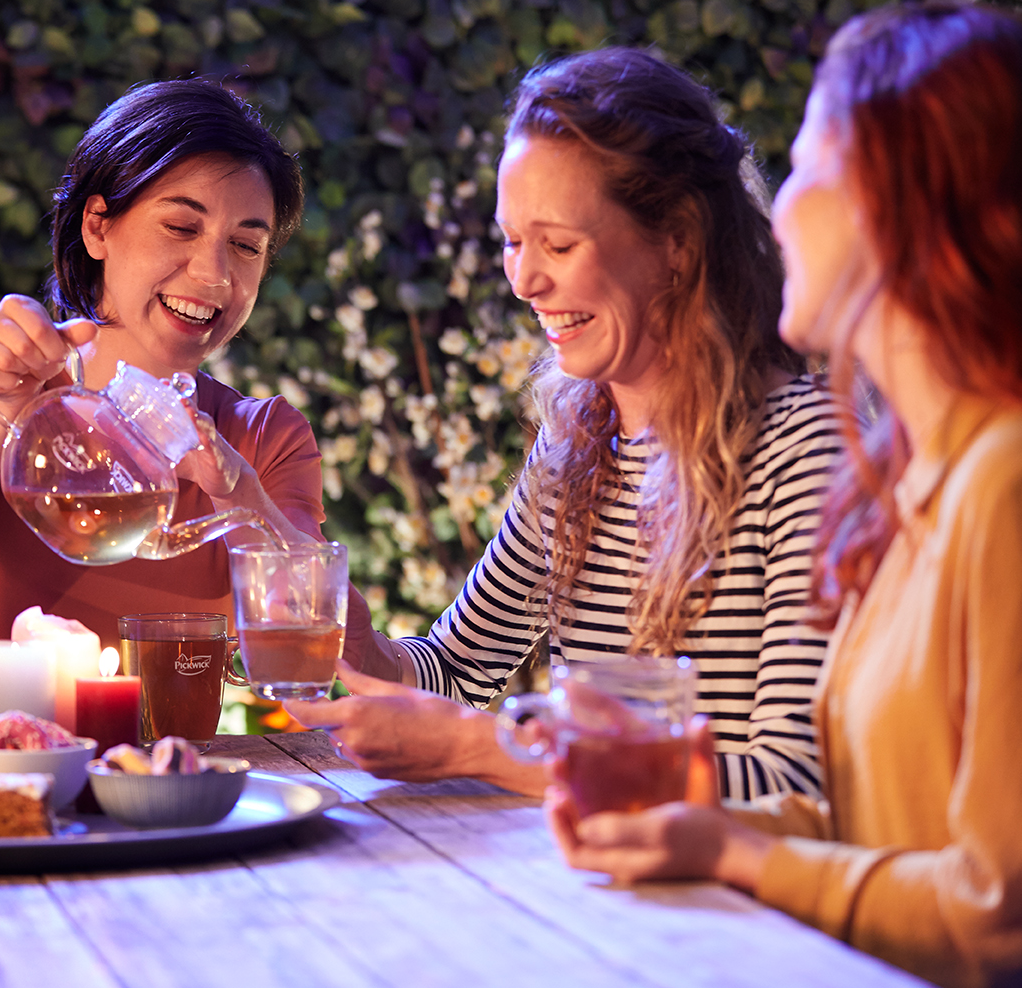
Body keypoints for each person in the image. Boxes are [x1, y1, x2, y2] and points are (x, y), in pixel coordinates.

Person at [541, 5, 1022, 987]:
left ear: (906, 200)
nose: (772, 211)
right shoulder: (911, 482)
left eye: (808, 165)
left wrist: (735, 854)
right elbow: (864, 825)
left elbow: (1003, 917)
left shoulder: (1012, 482)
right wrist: (690, 821)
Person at [290, 47, 842, 801]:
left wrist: (483, 749)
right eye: (512, 240)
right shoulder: (578, 444)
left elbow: (792, 784)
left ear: (676, 243)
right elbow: (455, 668)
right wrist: (353, 639)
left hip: (726, 910)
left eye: (557, 243)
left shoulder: (799, 447)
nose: (523, 279)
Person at [0, 80, 334, 643]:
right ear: (97, 227)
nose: (214, 273)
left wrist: (236, 490)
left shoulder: (263, 440)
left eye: (246, 245)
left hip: (174, 737)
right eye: (182, 227)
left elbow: (315, 635)